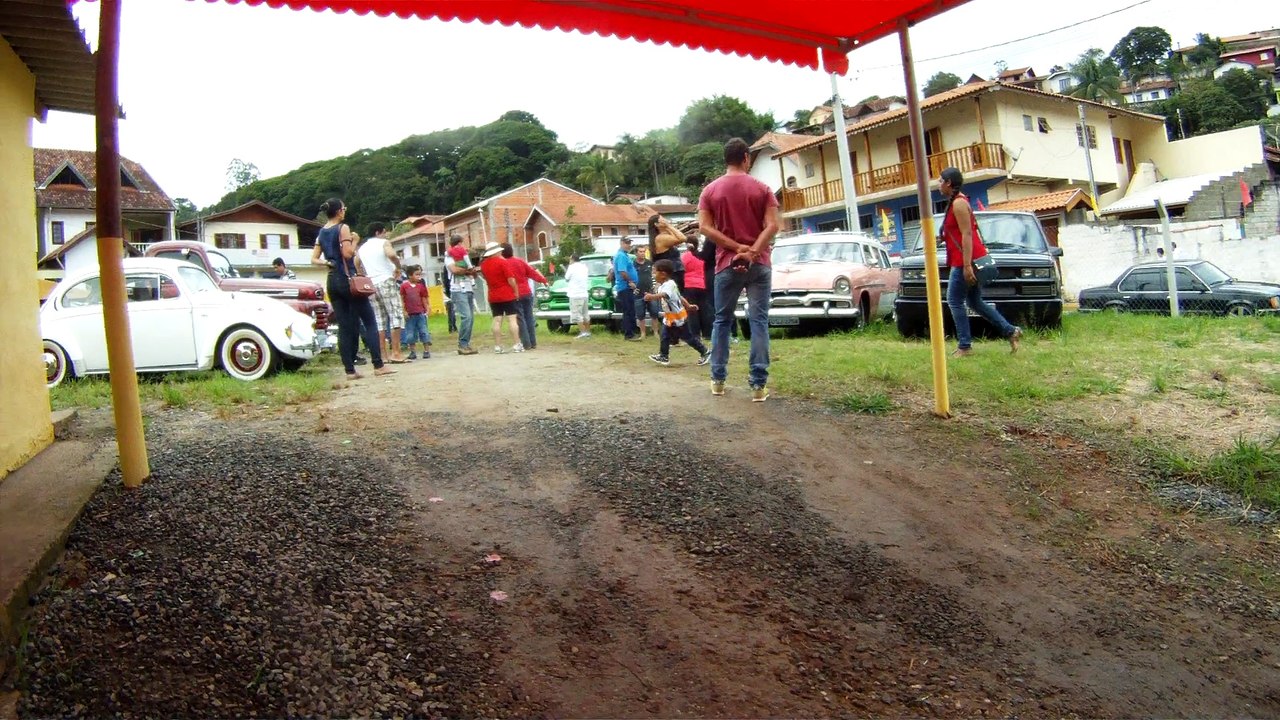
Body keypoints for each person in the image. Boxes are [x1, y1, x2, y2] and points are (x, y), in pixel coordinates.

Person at [698, 137, 779, 401]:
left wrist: (735, 248)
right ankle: (758, 385)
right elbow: (772, 225)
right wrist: (753, 250)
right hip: (760, 263)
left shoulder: (710, 191)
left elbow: (705, 228)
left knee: (722, 320)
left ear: (726, 159)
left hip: (726, 263)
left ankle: (718, 381)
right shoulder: (762, 189)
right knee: (758, 321)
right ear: (746, 157)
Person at [938, 166, 1022, 357]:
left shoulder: (959, 203)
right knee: (974, 301)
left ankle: (965, 346)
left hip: (965, 261)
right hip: (965, 258)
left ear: (949, 183)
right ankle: (1011, 331)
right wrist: (945, 238)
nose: (938, 185)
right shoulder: (957, 202)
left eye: (940, 181)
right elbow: (960, 232)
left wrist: (967, 266)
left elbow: (967, 234)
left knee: (954, 300)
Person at [309, 198, 391, 379]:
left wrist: (327, 262)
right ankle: (378, 365)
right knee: (369, 320)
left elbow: (313, 259)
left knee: (345, 326)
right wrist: (355, 241)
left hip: (332, 280)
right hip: (348, 279)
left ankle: (349, 370)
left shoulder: (322, 232)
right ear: (339, 211)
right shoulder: (342, 228)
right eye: (344, 208)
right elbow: (347, 253)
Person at [644, 259, 710, 367]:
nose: (653, 274)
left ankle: (704, 351)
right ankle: (663, 355)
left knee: (687, 337)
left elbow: (665, 295)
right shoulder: (667, 284)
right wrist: (688, 305)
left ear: (663, 274)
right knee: (665, 335)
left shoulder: (668, 285)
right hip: (670, 317)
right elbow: (679, 296)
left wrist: (651, 297)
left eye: (654, 272)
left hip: (677, 318)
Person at [357, 222, 407, 363]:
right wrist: (398, 266)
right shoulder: (383, 243)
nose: (386, 235)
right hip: (386, 280)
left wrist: (363, 274)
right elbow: (391, 254)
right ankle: (396, 352)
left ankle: (383, 355)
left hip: (372, 284)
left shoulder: (362, 248)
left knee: (379, 320)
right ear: (379, 233)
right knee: (395, 316)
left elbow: (356, 263)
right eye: (384, 232)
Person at [503, 244, 548, 350]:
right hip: (527, 293)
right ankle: (533, 342)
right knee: (529, 317)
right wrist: (543, 280)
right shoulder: (520, 261)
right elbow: (532, 273)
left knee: (520, 319)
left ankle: (526, 343)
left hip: (515, 294)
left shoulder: (504, 264)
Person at [479, 241, 522, 353]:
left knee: (497, 320)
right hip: (506, 293)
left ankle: (498, 346)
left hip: (493, 294)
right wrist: (516, 291)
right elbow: (511, 279)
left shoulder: (483, 265)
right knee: (512, 319)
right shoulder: (503, 262)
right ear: (497, 251)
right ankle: (517, 343)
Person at [446, 235, 480, 355]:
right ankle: (462, 344)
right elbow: (454, 270)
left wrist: (473, 272)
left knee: (471, 318)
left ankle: (466, 343)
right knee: (467, 317)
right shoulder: (449, 256)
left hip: (468, 287)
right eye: (460, 244)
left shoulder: (465, 256)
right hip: (458, 288)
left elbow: (473, 274)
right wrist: (468, 270)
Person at [399, 264, 432, 360]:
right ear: (410, 275)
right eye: (416, 274)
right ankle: (412, 351)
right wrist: (404, 311)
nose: (419, 277)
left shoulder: (421, 286)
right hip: (410, 314)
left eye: (419, 274)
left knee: (424, 331)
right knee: (410, 333)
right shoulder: (404, 286)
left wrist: (427, 308)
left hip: (420, 313)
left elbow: (424, 298)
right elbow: (402, 299)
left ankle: (426, 350)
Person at [648, 214, 687, 289]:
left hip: (674, 272)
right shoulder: (660, 238)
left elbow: (676, 236)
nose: (665, 220)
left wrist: (667, 227)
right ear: (656, 224)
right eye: (662, 219)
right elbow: (682, 238)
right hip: (672, 274)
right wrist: (668, 225)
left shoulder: (663, 236)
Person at [681, 241, 710, 340]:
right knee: (703, 309)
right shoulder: (700, 256)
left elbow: (682, 267)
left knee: (692, 310)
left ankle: (695, 334)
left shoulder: (686, 256)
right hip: (701, 284)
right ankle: (707, 333)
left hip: (689, 284)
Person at [612, 236, 640, 340]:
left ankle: (632, 332)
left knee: (631, 310)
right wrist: (630, 282)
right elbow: (622, 271)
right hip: (625, 287)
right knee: (628, 311)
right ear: (621, 243)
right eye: (626, 243)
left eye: (629, 243)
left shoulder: (625, 255)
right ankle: (629, 334)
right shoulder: (621, 256)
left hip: (627, 287)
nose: (628, 245)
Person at [632, 245, 660, 339]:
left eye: (644, 251)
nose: (643, 253)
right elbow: (629, 277)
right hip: (638, 293)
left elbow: (656, 275)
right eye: (640, 251)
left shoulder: (650, 263)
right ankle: (643, 334)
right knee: (640, 315)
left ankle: (656, 332)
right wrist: (632, 287)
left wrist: (656, 286)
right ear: (636, 253)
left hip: (651, 292)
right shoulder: (632, 264)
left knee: (654, 313)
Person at [564, 253, 592, 338]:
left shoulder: (572, 267)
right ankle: (587, 332)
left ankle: (583, 333)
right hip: (584, 293)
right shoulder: (584, 267)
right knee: (585, 314)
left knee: (577, 314)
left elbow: (566, 278)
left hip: (575, 294)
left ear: (572, 259)